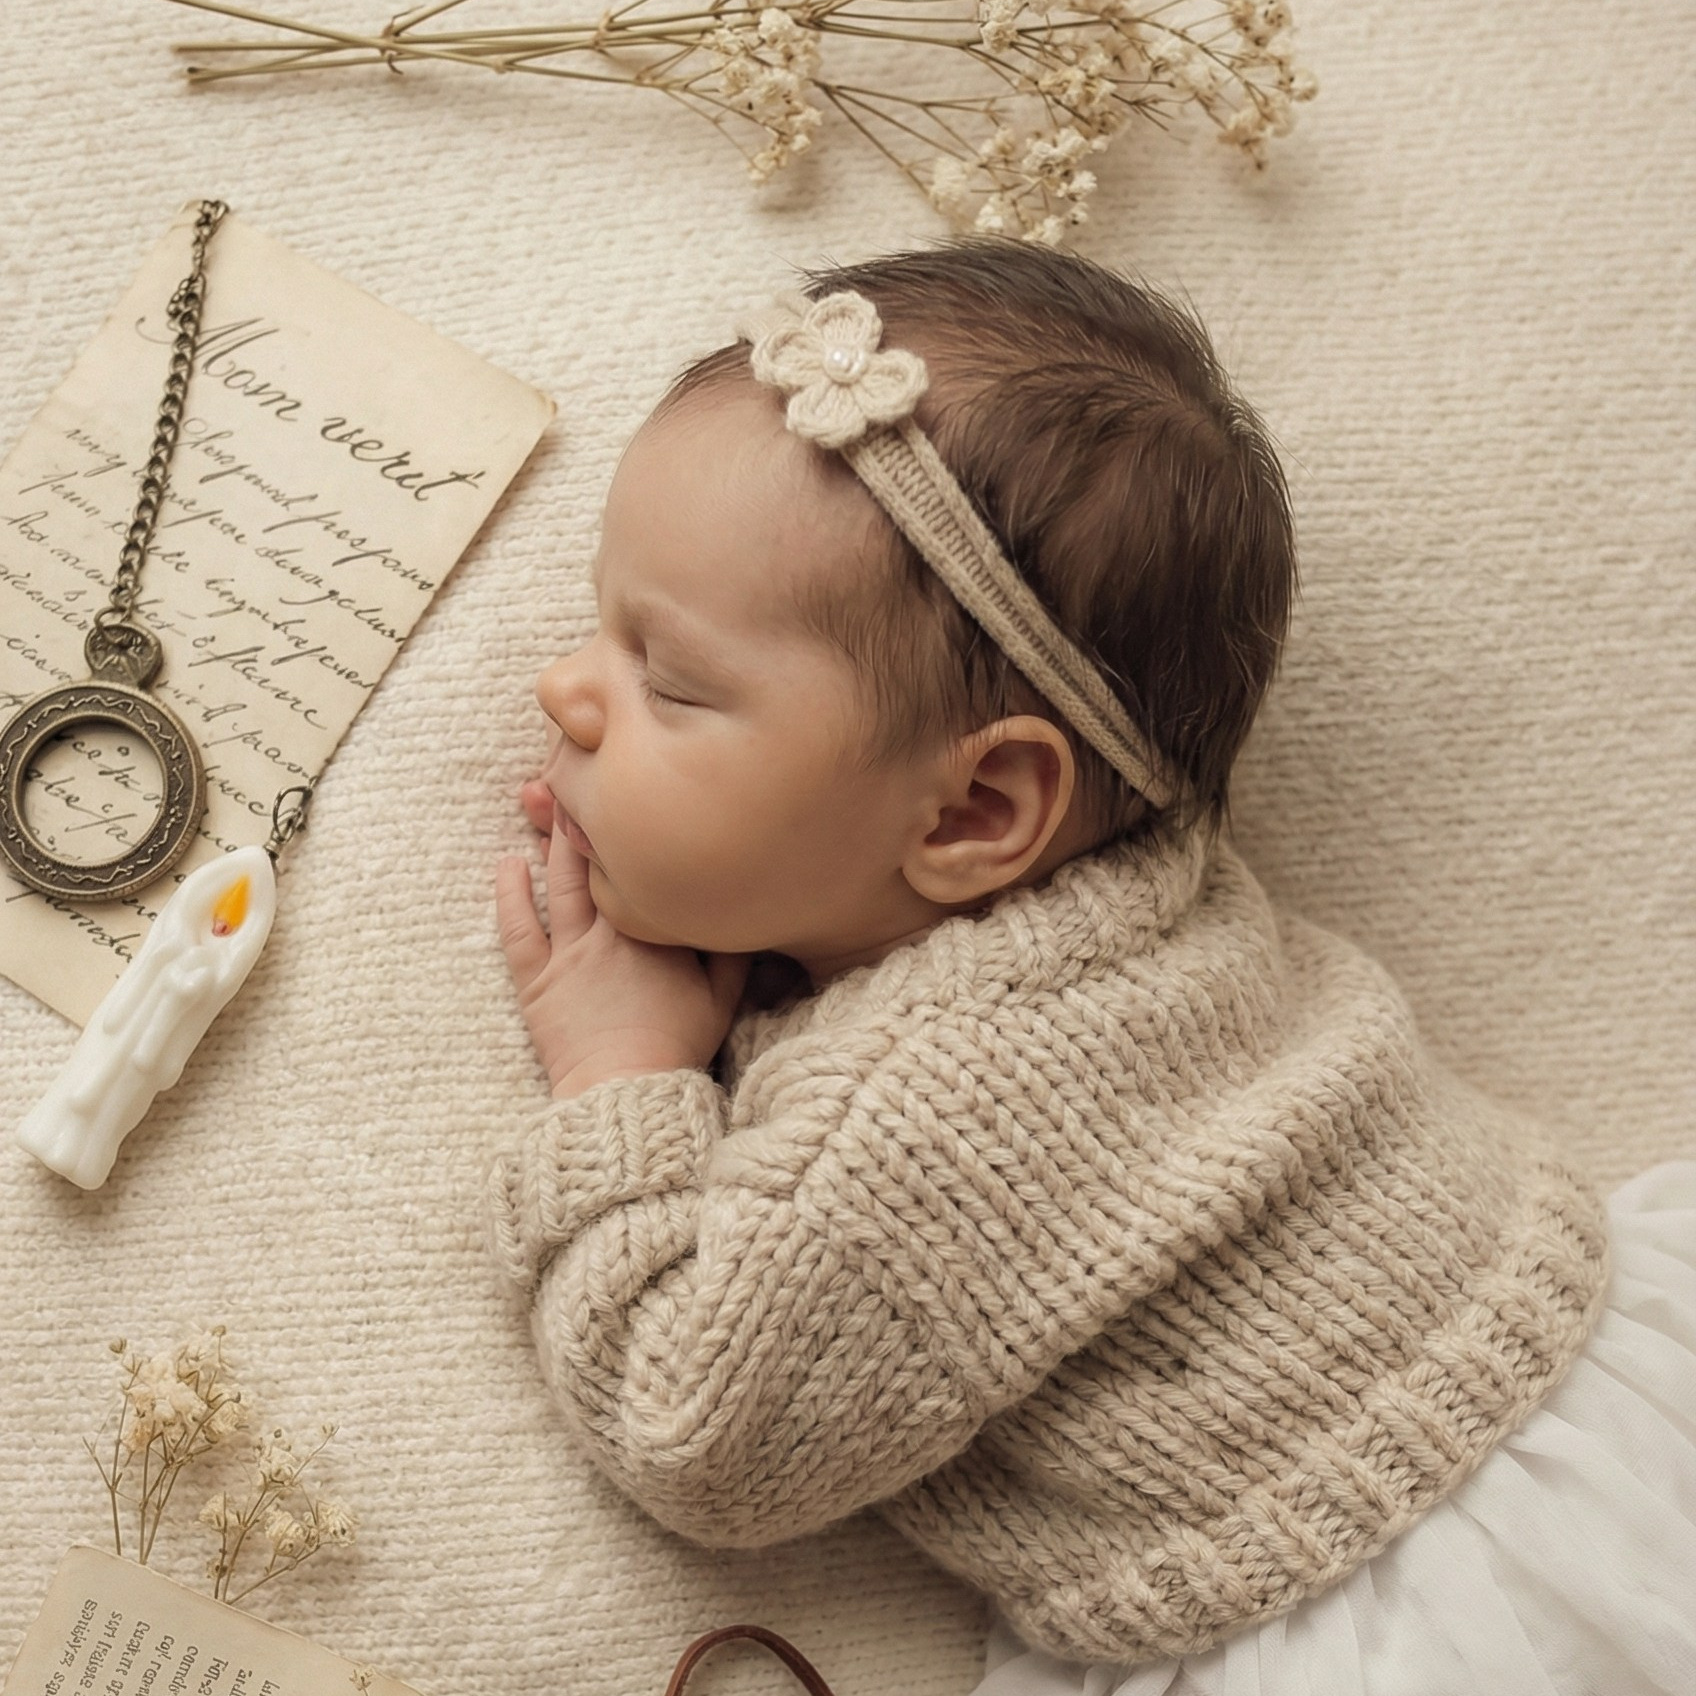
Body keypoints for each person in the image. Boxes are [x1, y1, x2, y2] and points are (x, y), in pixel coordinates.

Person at [485, 239, 1696, 1695]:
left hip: (1389, 1606)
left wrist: (617, 1080)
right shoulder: (1167, 907)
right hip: (1614, 1404)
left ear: (982, 813)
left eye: (668, 681)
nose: (564, 686)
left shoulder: (923, 1124)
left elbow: (701, 1438)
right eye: (603, 622)